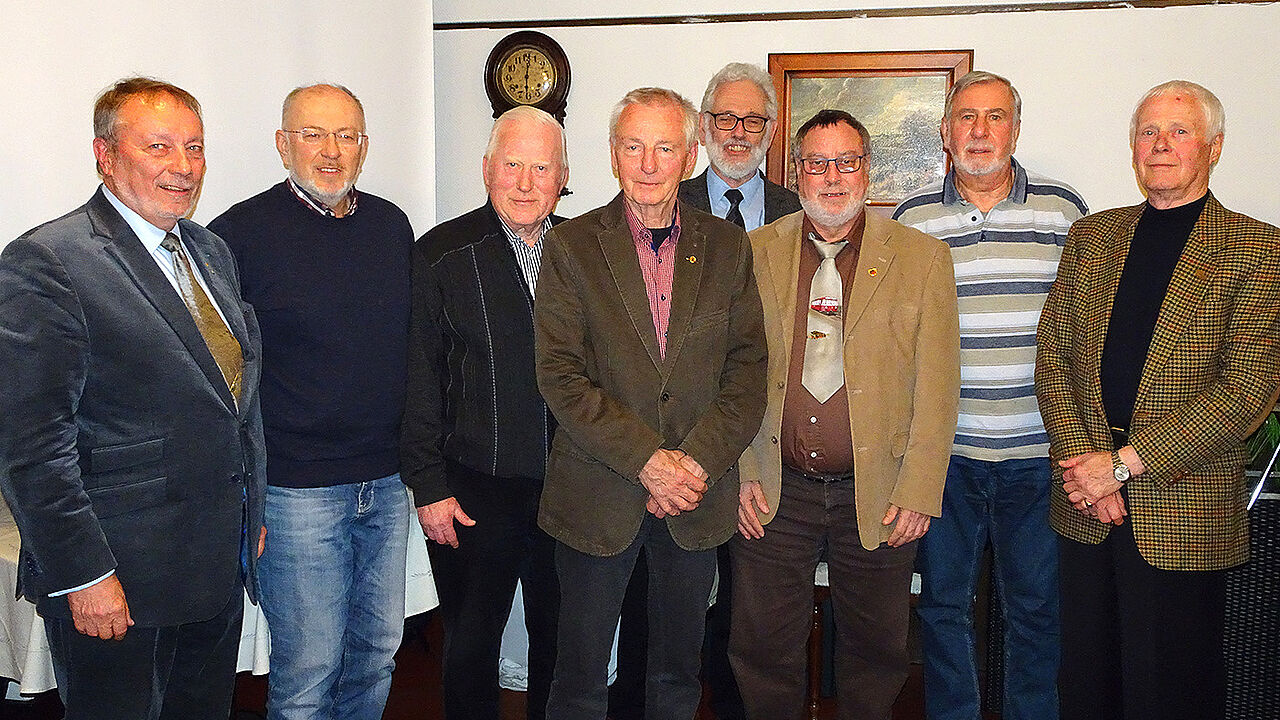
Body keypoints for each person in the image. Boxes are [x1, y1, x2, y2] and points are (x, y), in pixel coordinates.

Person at [0, 76, 266, 719]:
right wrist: (85, 576)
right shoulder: (48, 261)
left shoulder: (209, 251)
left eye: (194, 147)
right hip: (118, 578)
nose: (183, 166)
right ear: (105, 155)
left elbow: (232, 397)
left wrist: (249, 509)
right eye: (158, 146)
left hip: (213, 567)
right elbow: (32, 447)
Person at [1035, 79, 1280, 720]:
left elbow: (1248, 390)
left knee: (1173, 690)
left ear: (1214, 147)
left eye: (1179, 131)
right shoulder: (1091, 237)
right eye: (1148, 132)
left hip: (1183, 510)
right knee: (1087, 685)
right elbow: (1053, 359)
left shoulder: (1259, 249)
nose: (1160, 145)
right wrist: (1087, 469)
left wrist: (1123, 466)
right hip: (1086, 504)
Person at [534, 87, 767, 720]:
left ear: (690, 157)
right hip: (597, 492)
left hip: (695, 496)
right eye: (633, 147)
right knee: (578, 681)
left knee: (676, 677)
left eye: (664, 148)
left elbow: (748, 371)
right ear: (613, 155)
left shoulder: (727, 247)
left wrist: (691, 465)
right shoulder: (572, 246)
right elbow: (560, 375)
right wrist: (647, 460)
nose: (647, 164)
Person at [732, 109, 960, 720]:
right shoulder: (754, 253)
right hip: (775, 489)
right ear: (796, 172)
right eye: (817, 163)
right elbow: (730, 371)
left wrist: (919, 489)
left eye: (847, 162)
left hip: (880, 489)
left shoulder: (922, 258)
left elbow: (938, 387)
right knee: (761, 648)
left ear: (867, 169)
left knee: (877, 653)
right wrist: (741, 471)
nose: (833, 177)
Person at [207, 83, 413, 720]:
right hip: (294, 493)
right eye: (313, 135)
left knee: (377, 653)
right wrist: (245, 496)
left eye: (345, 136)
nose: (331, 151)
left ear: (364, 147)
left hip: (386, 483)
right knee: (307, 673)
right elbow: (215, 378)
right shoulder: (236, 236)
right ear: (282, 145)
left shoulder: (391, 226)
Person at [892, 70, 1087, 720]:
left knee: (1035, 610)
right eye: (966, 118)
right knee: (943, 607)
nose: (980, 131)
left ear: (1016, 130)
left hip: (1038, 456)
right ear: (945, 133)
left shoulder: (1063, 211)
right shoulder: (912, 218)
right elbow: (896, 339)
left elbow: (1084, 329)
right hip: (945, 459)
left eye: (995, 116)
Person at [400, 105, 569, 720]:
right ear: (486, 169)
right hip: (473, 489)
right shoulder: (440, 254)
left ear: (563, 177)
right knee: (471, 647)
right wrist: (428, 487)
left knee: (560, 644)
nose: (525, 182)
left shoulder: (583, 252)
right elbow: (418, 377)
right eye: (512, 165)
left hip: (568, 490)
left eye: (541, 168)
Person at [677, 62, 801, 230]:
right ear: (703, 127)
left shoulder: (796, 212)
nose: (739, 133)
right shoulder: (672, 203)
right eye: (726, 119)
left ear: (771, 132)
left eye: (753, 121)